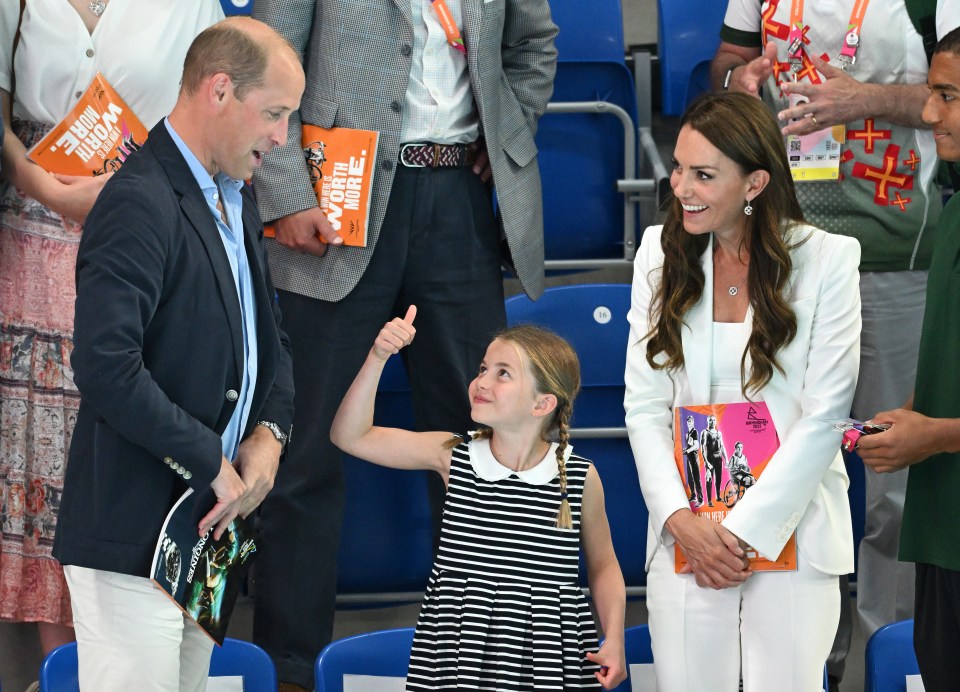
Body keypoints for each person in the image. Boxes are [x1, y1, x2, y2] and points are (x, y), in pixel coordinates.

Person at [249, 1, 558, 687]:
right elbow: (264, 58)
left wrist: (508, 127)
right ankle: (290, 670)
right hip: (336, 197)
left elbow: (533, 46)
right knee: (306, 453)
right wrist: (285, 191)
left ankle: (482, 664)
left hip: (458, 199)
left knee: (481, 451)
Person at [710, 3, 960, 685]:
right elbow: (727, 66)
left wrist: (866, 99)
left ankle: (893, 660)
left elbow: (950, 89)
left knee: (895, 480)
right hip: (784, 249)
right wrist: (742, 84)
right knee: (771, 462)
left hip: (895, 247)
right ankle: (792, 666)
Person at [51, 17, 298, 690]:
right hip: (134, 528)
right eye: (274, 114)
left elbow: (266, 340)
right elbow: (105, 366)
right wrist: (210, 460)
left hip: (207, 529)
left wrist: (271, 435)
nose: (282, 137)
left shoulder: (237, 193)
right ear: (220, 91)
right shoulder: (138, 200)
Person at [0, 0, 223, 662]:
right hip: (25, 247)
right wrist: (39, 182)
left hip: (143, 228)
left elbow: (214, 118)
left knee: (117, 450)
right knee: (38, 471)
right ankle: (59, 669)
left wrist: (133, 193)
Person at [624, 91, 861, 691]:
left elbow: (826, 416)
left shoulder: (828, 260)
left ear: (755, 182)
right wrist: (682, 520)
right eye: (678, 168)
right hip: (687, 532)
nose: (682, 187)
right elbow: (645, 404)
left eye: (704, 175)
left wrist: (740, 532)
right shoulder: (659, 251)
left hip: (792, 529)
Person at [331, 311, 626, 691]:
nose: (481, 381)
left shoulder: (579, 476)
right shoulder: (453, 454)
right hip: (459, 660)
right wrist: (378, 356)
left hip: (550, 662)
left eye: (503, 373)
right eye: (483, 368)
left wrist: (614, 637)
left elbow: (604, 566)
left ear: (542, 404)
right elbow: (350, 435)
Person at [858, 27, 960, 692]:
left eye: (946, 96)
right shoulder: (952, 207)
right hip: (942, 534)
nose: (928, 115)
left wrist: (938, 435)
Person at [699, 414, 727, 507]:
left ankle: (718, 497)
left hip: (718, 458)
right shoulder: (705, 432)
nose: (712, 422)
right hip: (710, 458)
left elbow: (722, 446)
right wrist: (706, 462)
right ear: (707, 421)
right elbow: (703, 449)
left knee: (718, 478)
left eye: (714, 420)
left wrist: (726, 459)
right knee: (709, 479)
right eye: (710, 420)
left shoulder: (719, 433)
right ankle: (709, 500)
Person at [682, 415, 704, 505]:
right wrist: (685, 449)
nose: (689, 423)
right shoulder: (687, 434)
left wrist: (688, 450)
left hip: (694, 457)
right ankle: (693, 495)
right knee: (690, 478)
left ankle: (700, 499)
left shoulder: (694, 432)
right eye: (688, 422)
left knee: (696, 478)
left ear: (693, 422)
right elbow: (689, 445)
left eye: (690, 421)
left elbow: (696, 445)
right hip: (688, 457)